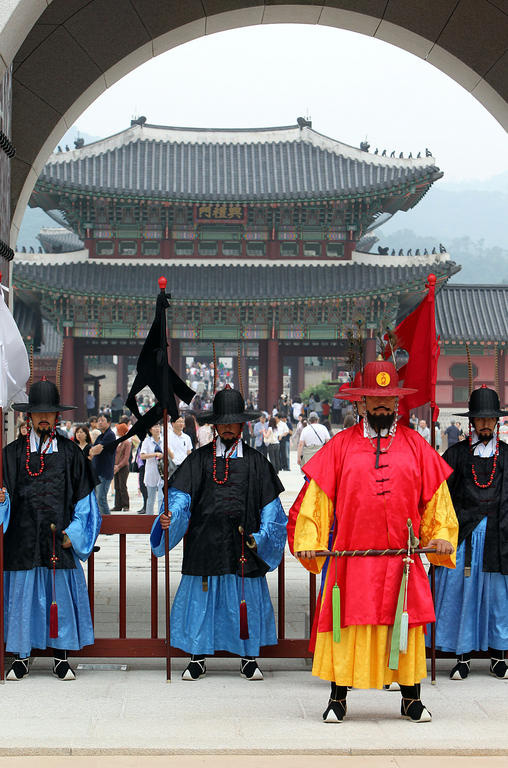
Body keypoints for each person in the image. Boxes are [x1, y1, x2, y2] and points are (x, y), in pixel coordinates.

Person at [289, 360, 458, 723]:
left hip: (403, 562)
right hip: (351, 558)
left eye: (388, 400)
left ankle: (410, 698)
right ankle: (338, 697)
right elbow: (316, 500)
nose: (382, 406)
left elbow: (438, 502)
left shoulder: (416, 446)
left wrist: (442, 535)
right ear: (360, 403)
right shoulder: (340, 446)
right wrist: (308, 536)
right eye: (373, 399)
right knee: (344, 624)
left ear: (397, 403)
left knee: (405, 625)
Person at [150, 386, 287, 680]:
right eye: (222, 422)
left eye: (232, 422)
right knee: (201, 602)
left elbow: (272, 510)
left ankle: (249, 658)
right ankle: (197, 658)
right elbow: (180, 497)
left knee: (245, 601)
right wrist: (171, 516)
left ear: (242, 425)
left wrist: (261, 538)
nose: (227, 427)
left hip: (243, 546)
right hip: (205, 543)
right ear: (215, 426)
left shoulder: (257, 463)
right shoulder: (198, 461)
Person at [0, 378, 101, 680]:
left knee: (61, 601)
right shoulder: (10, 454)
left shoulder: (72, 453)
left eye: (49, 413)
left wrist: (77, 533)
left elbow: (86, 502)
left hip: (60, 538)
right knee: (22, 600)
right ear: (27, 416)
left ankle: (61, 656)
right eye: (38, 412)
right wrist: (2, 500)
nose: (44, 418)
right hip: (22, 538)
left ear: (57, 416)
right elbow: (3, 499)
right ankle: (21, 656)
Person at [431, 386, 508, 680]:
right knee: (462, 596)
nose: (485, 424)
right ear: (471, 422)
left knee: (499, 599)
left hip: (499, 537)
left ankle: (499, 656)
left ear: (497, 422)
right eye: (480, 419)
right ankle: (461, 657)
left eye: (490, 419)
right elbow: (440, 497)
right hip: (464, 536)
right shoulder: (455, 455)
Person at [89, 413, 116, 517]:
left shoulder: (110, 435)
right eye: (98, 420)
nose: (99, 422)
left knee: (101, 498)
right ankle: (102, 523)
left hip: (105, 472)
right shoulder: (101, 436)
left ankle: (110, 525)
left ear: (108, 422)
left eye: (102, 420)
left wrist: (94, 450)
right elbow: (92, 450)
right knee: (97, 499)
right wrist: (93, 450)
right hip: (97, 471)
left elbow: (97, 450)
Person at [140, 424, 164, 516]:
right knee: (150, 498)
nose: (157, 429)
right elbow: (142, 456)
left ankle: (160, 518)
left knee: (161, 498)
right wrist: (155, 454)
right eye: (155, 427)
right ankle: (149, 519)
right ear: (150, 429)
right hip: (151, 472)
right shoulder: (147, 441)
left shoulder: (164, 440)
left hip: (162, 472)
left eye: (158, 427)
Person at [112, 423, 131, 511]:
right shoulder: (119, 441)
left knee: (122, 486)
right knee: (117, 486)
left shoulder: (127, 442)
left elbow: (126, 458)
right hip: (116, 467)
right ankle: (118, 505)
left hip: (123, 467)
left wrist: (118, 466)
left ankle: (126, 505)